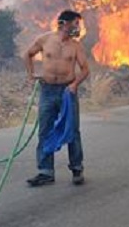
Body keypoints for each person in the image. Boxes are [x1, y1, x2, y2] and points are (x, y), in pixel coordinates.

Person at [24, 10, 90, 187]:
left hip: (67, 92)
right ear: (63, 23)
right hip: (47, 91)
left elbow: (85, 69)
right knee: (45, 129)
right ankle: (45, 172)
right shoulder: (45, 40)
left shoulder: (76, 46)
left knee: (72, 130)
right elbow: (28, 54)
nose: (78, 28)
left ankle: (77, 169)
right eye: (75, 23)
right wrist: (31, 74)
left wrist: (74, 85)